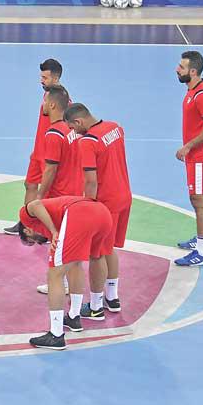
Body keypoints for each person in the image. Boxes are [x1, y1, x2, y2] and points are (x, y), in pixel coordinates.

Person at [18, 196, 113, 350]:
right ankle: (75, 316)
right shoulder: (53, 217)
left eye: (32, 240)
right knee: (80, 263)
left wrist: (53, 231)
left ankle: (56, 335)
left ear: (27, 230)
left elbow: (35, 204)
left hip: (80, 214)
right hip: (103, 213)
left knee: (55, 274)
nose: (38, 242)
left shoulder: (25, 216)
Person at [65, 103, 131, 318]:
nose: (75, 133)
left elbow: (91, 181)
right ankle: (112, 297)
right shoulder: (115, 128)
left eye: (73, 128)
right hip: (124, 196)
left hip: (105, 203)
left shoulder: (88, 141)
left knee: (96, 255)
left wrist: (88, 207)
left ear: (79, 121)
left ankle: (95, 307)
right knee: (109, 249)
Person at [31, 84, 83, 296]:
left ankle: (61, 283)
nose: (43, 104)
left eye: (45, 101)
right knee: (70, 243)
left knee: (58, 242)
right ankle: (70, 283)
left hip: (60, 197)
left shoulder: (53, 133)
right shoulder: (71, 130)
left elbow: (50, 170)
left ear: (52, 105)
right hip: (75, 192)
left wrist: (39, 197)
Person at [4, 59, 65, 235]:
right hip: (38, 151)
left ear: (56, 78)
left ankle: (45, 229)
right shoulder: (47, 95)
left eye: (45, 78)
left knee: (46, 193)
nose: (41, 81)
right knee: (30, 184)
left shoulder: (63, 101)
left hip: (49, 154)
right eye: (41, 77)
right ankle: (26, 223)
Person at [174, 50, 203, 267]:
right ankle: (202, 239)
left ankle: (201, 251)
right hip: (196, 155)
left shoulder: (202, 96)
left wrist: (188, 146)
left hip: (201, 156)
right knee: (198, 198)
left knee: (199, 200)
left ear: (193, 71)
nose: (177, 69)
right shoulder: (192, 90)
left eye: (181, 67)